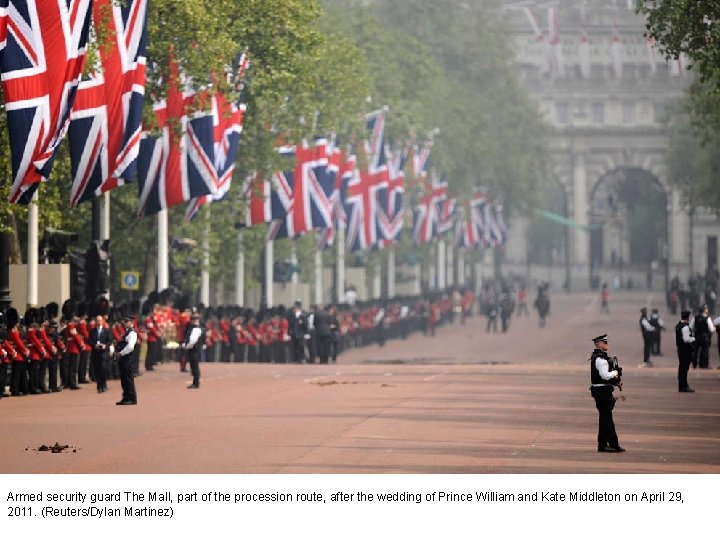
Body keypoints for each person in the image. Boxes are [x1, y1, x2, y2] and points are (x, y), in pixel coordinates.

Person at [588, 334, 625, 453]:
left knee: (604, 418)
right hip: (602, 392)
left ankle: (603, 444)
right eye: (605, 343)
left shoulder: (600, 358)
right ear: (599, 344)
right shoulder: (600, 359)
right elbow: (605, 376)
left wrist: (616, 382)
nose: (606, 344)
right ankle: (613, 444)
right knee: (607, 419)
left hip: (601, 391)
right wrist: (615, 373)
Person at [115, 316, 138, 405]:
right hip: (124, 358)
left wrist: (121, 353)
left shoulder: (132, 333)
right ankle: (126, 397)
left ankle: (131, 398)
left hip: (127, 358)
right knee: (124, 379)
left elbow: (130, 347)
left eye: (125, 322)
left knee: (128, 379)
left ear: (129, 322)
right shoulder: (127, 333)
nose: (123, 324)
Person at [89, 314, 112, 393]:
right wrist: (94, 345)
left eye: (100, 320)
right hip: (95, 353)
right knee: (97, 370)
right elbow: (90, 341)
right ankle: (99, 386)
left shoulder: (106, 330)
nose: (98, 322)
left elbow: (109, 340)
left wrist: (105, 345)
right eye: (97, 320)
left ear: (102, 321)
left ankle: (104, 385)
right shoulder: (92, 331)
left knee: (103, 369)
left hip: (103, 353)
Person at [675, 311, 695, 392]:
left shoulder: (678, 325)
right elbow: (686, 339)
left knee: (682, 367)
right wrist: (695, 338)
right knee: (684, 368)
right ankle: (683, 386)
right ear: (688, 317)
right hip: (686, 349)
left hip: (680, 348)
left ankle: (682, 385)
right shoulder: (685, 327)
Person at [182, 312, 203, 389]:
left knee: (194, 366)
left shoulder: (196, 328)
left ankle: (196, 382)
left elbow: (193, 340)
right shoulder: (193, 327)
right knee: (193, 366)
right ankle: (195, 382)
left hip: (194, 349)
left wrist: (186, 346)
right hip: (193, 349)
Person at [692, 305, 714, 369]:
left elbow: (691, 327)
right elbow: (711, 329)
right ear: (704, 310)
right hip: (705, 337)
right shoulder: (707, 318)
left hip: (696, 336)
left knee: (695, 351)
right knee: (705, 351)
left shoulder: (695, 317)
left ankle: (694, 364)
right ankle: (704, 365)